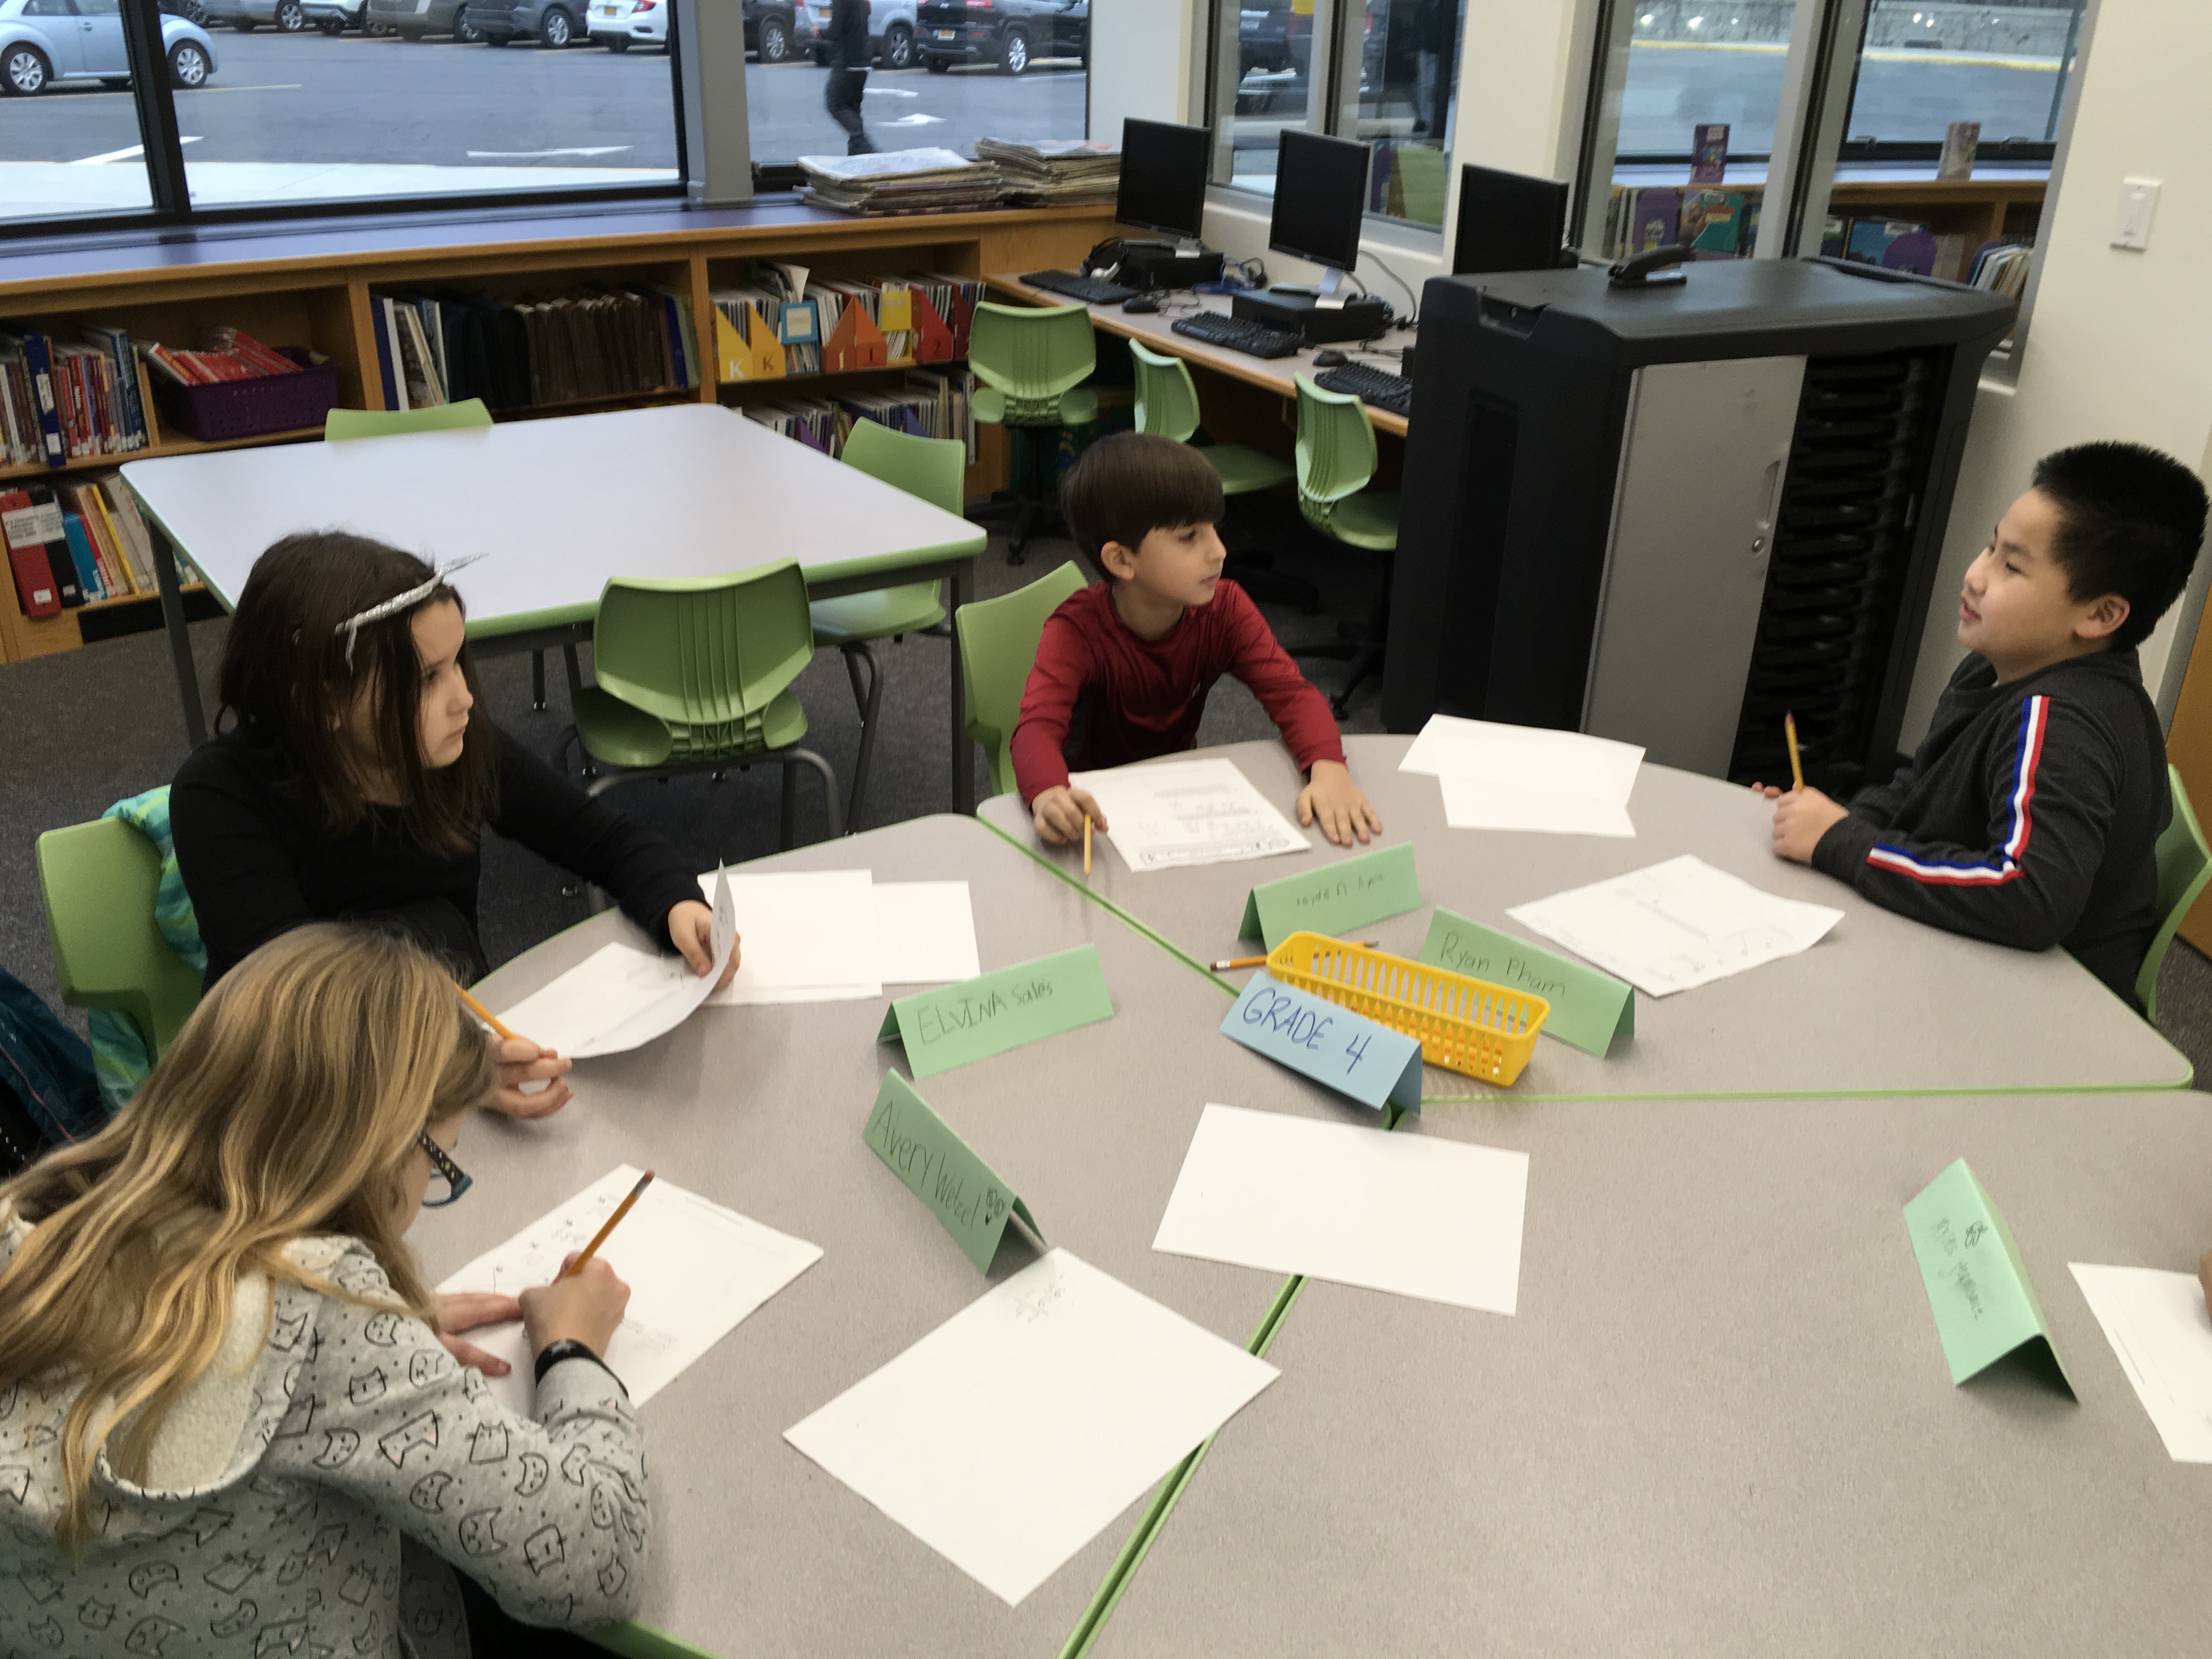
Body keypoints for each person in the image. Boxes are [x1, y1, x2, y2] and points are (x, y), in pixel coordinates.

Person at [0, 924, 644, 1659]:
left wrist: (397, 1336)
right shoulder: (325, 1320)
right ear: (381, 1149)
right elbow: (598, 1561)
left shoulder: (28, 1233)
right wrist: (573, 1349)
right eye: (439, 1163)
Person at [171, 532, 737, 1121]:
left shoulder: (455, 750)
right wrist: (453, 1066)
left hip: (448, 1036)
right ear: (324, 703)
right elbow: (298, 1007)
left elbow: (605, 839)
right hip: (304, 1096)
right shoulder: (221, 795)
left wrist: (675, 901)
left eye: (459, 663)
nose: (465, 697)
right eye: (426, 679)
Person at [1758, 441, 2210, 1006]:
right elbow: (1923, 785)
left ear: (2099, 615)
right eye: (1991, 547)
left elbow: (2031, 895)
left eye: (2012, 566)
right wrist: (1831, 821)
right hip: (1982, 961)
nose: (1976, 575)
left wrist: (1842, 842)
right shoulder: (1995, 669)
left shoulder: (2061, 721)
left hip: (2043, 1009)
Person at [1013, 432, 1384, 849]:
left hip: (1176, 795)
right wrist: (1049, 795)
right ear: (1122, 560)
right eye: (1190, 536)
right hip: (1096, 807)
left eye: (1215, 529)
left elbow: (1293, 696)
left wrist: (1329, 767)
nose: (1219, 551)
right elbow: (1036, 730)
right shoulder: (1077, 629)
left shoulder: (1224, 609)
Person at [823, 0, 874, 156]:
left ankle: (863, 143)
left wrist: (819, 33)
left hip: (847, 61)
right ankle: (857, 156)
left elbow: (836, 31)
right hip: (863, 60)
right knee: (852, 109)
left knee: (835, 103)